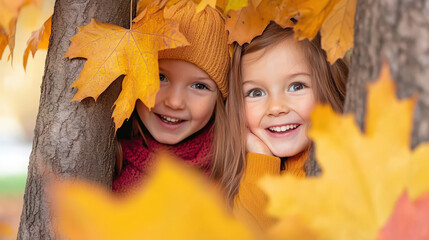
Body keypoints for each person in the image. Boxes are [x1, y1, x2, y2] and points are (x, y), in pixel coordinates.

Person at [227, 22, 349, 231]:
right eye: (256, 92)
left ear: (327, 85)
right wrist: (260, 158)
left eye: (296, 86)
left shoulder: (338, 170)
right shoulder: (240, 172)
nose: (276, 108)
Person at [112, 0, 238, 195]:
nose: (174, 102)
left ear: (219, 100)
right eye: (159, 76)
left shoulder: (230, 173)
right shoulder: (111, 159)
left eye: (199, 85)